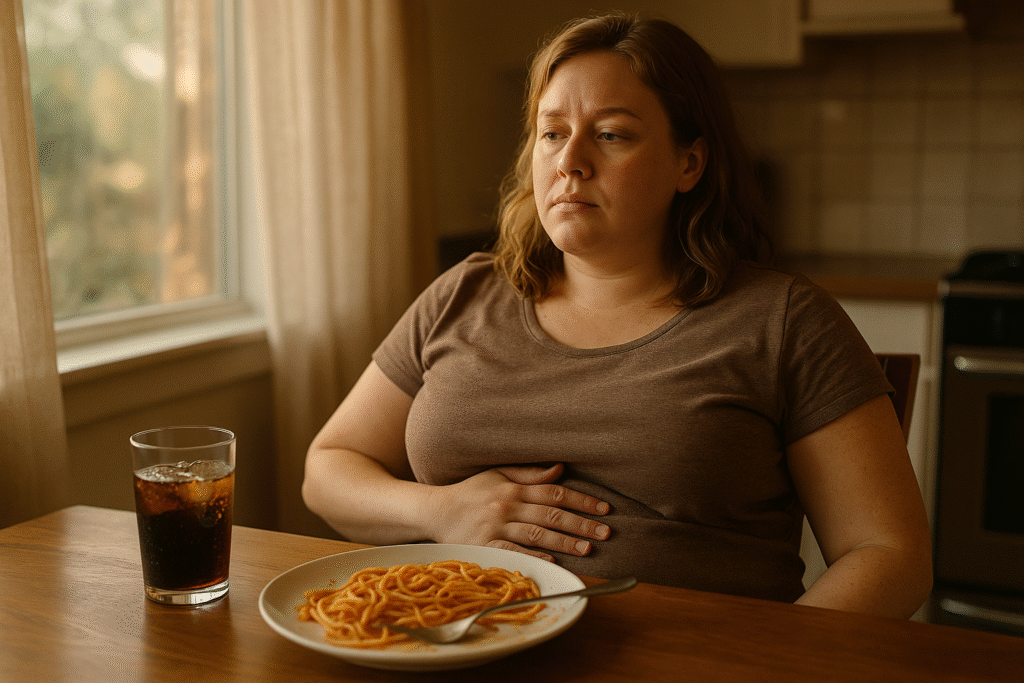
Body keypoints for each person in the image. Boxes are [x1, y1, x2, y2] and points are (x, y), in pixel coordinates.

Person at [303, 12, 932, 618]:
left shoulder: (785, 321)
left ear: (689, 163)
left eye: (612, 134)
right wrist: (438, 511)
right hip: (455, 645)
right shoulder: (462, 294)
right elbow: (329, 468)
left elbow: (889, 557)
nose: (571, 161)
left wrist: (770, 669)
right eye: (552, 132)